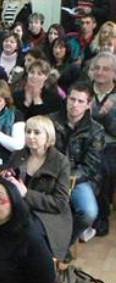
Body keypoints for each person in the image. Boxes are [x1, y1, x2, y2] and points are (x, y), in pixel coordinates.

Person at [3, 115, 72, 260]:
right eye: (28, 132)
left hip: (48, 216)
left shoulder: (60, 162)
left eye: (36, 132)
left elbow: (59, 203)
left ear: (48, 136)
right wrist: (6, 179)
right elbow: (7, 186)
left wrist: (26, 194)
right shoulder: (18, 155)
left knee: (27, 233)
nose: (30, 136)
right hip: (18, 208)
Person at [50, 82, 105, 245]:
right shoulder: (50, 121)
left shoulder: (96, 130)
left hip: (78, 179)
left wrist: (67, 179)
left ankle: (66, 242)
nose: (75, 104)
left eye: (80, 101)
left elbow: (90, 167)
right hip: (49, 173)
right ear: (66, 99)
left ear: (89, 104)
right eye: (72, 99)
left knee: (89, 212)